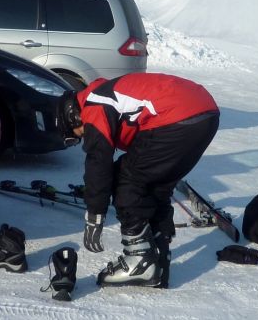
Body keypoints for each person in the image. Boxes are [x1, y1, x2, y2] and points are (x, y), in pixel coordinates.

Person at [55, 73, 220, 288]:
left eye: (75, 135)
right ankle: (159, 258)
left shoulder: (94, 103)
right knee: (156, 185)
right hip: (204, 112)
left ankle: (139, 259)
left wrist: (95, 213)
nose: (80, 139)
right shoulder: (107, 94)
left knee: (126, 180)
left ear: (73, 115)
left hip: (177, 115)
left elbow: (98, 162)